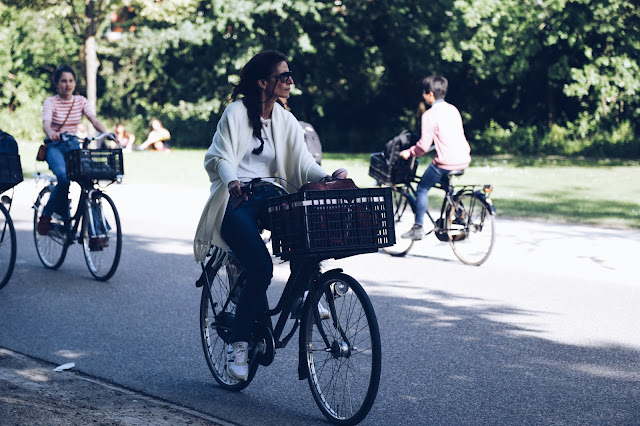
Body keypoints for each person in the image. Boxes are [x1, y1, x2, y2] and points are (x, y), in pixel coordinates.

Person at [193, 50, 346, 381]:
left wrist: (326, 177)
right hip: (236, 200)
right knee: (261, 267)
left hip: (271, 196)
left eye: (290, 76)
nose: (290, 82)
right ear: (263, 83)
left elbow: (303, 163)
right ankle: (238, 343)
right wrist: (231, 178)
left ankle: (301, 295)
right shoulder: (235, 113)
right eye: (284, 76)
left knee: (308, 237)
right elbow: (219, 156)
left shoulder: (285, 119)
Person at [38, 65, 110, 236]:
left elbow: (93, 119)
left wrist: (107, 133)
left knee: (88, 184)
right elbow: (46, 124)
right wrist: (52, 133)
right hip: (55, 146)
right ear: (57, 84)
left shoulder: (80, 101)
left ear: (75, 83)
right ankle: (46, 216)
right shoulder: (51, 102)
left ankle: (97, 231)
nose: (67, 84)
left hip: (74, 147)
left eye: (71, 81)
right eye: (63, 81)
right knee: (63, 179)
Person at [398, 75, 471, 240]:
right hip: (463, 158)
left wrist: (409, 152)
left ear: (429, 94)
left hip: (445, 161)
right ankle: (459, 213)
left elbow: (423, 146)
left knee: (422, 188)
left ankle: (418, 227)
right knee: (446, 186)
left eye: (423, 93)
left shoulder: (430, 115)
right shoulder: (453, 109)